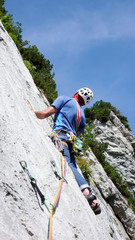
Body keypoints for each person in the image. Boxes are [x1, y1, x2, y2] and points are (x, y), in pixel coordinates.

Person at [35, 87, 101, 215]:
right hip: (71, 143)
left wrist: (32, 112)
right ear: (84, 103)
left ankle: (88, 193)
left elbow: (45, 113)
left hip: (61, 136)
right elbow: (77, 134)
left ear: (76, 93)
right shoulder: (82, 116)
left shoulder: (64, 99)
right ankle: (88, 192)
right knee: (73, 165)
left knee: (69, 165)